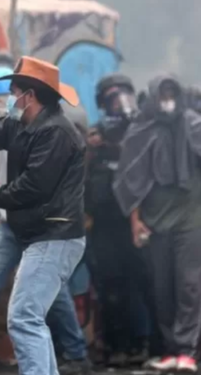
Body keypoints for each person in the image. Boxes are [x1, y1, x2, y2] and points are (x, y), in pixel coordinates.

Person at [0, 65, 90, 375]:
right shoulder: (21, 124)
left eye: (13, 93)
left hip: (55, 234)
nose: (10, 99)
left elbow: (35, 185)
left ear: (29, 96)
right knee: (30, 316)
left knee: (24, 317)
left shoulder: (56, 132)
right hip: (39, 235)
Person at [113, 75, 201, 373]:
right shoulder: (142, 129)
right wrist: (136, 222)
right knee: (162, 288)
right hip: (155, 221)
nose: (167, 100)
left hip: (191, 218)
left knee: (189, 284)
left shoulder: (192, 124)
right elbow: (130, 179)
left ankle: (188, 351)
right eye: (161, 94)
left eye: (171, 93)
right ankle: (170, 350)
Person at [85, 73, 151, 366]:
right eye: (111, 97)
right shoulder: (95, 135)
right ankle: (116, 346)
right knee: (110, 284)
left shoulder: (141, 129)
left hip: (136, 220)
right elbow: (85, 178)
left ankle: (145, 341)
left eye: (121, 94)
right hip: (104, 222)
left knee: (143, 280)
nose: (118, 102)